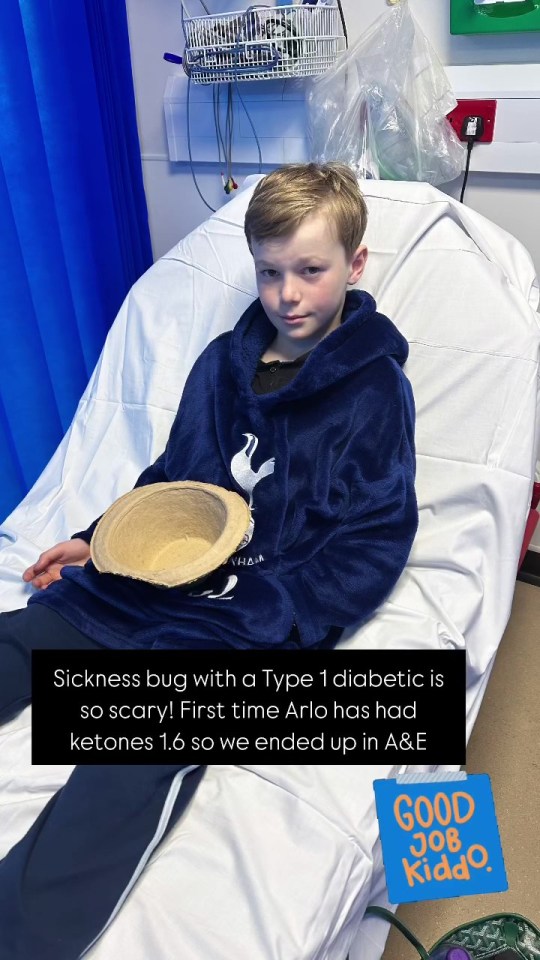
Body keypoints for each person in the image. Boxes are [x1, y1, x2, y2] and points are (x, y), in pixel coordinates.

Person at [0, 162, 418, 959]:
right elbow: (173, 482)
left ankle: (16, 935)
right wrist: (99, 536)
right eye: (269, 272)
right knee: (26, 632)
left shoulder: (373, 393)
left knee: (131, 753)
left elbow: (375, 541)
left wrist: (281, 610)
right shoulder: (222, 367)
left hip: (247, 618)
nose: (287, 295)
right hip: (158, 585)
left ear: (354, 267)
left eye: (310, 271)